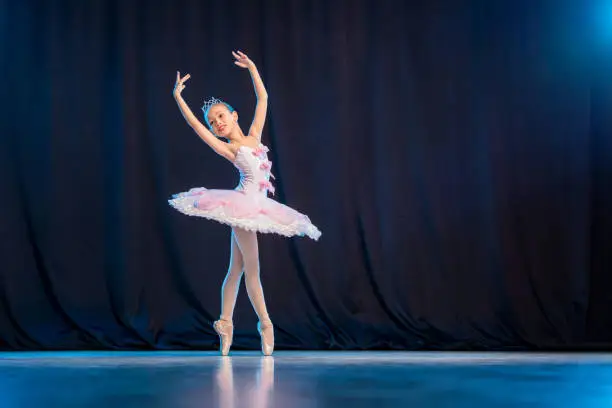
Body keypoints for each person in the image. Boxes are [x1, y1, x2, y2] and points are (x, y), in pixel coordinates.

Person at [169, 51, 321, 356]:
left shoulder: (254, 136)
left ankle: (225, 323)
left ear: (234, 115)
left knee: (236, 269)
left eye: (221, 117)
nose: (216, 124)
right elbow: (196, 129)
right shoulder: (231, 149)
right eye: (213, 122)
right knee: (252, 269)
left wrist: (252, 68)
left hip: (255, 205)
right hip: (243, 207)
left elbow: (262, 98)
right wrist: (178, 98)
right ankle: (265, 323)